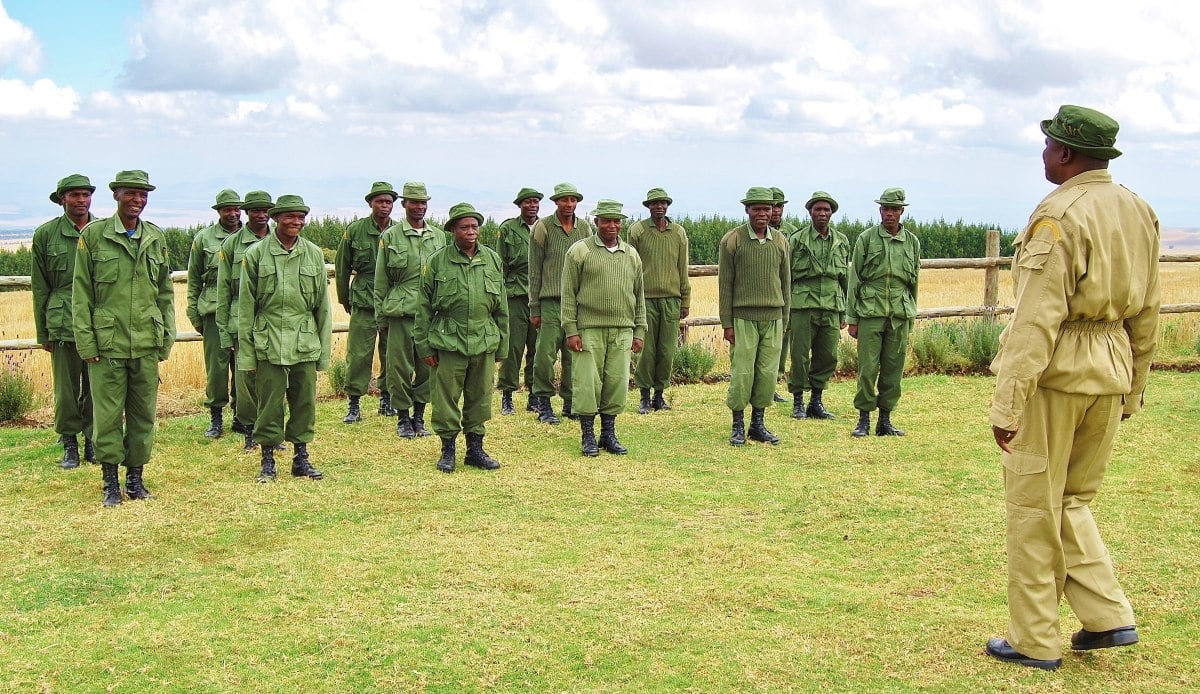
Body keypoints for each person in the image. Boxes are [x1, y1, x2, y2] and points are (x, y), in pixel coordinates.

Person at [984, 105, 1160, 672]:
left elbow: (1037, 318)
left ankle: (1034, 639)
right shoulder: (1139, 210)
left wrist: (1007, 402)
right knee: (1072, 499)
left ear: (1064, 153)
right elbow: (1149, 311)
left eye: (1048, 146)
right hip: (1111, 369)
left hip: (1057, 374)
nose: (1043, 155)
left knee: (1035, 504)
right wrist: (1134, 385)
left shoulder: (1058, 215)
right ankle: (1108, 616)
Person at [72, 170, 176, 507]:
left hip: (146, 342)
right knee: (106, 416)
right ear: (116, 195)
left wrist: (165, 337)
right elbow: (82, 295)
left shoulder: (155, 239)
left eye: (143, 195)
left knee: (143, 415)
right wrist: (87, 344)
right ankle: (109, 483)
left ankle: (135, 478)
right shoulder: (95, 235)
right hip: (108, 345)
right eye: (131, 193)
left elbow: (164, 292)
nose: (138, 200)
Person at [238, 195, 332, 483]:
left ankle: (301, 458)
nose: (296, 222)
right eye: (290, 216)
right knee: (269, 403)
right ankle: (267, 460)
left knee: (304, 402)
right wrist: (247, 355)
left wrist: (323, 353)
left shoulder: (314, 254)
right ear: (276, 218)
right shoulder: (256, 254)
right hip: (269, 341)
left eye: (301, 217)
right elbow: (245, 308)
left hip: (304, 340)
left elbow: (322, 307)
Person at [414, 203, 508, 473]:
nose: (471, 231)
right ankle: (448, 450)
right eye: (464, 227)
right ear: (453, 230)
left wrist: (502, 345)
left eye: (475, 226)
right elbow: (423, 309)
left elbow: (501, 307)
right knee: (445, 400)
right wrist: (424, 347)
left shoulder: (491, 259)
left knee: (480, 397)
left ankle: (475, 450)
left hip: (484, 340)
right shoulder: (437, 262)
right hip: (448, 342)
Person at [562, 200, 647, 456]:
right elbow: (568, 294)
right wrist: (571, 330)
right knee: (588, 383)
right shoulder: (580, 252)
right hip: (589, 330)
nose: (612, 225)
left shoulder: (631, 255)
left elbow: (639, 295)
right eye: (606, 220)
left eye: (616, 221)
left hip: (622, 330)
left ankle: (608, 434)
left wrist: (639, 329)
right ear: (596, 222)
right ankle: (587, 436)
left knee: (617, 383)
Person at [32, 174, 97, 469]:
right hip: (62, 322)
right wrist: (42, 332)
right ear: (62, 199)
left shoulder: (101, 231)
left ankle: (93, 440)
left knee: (97, 387)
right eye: (74, 195)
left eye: (85, 195)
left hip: (97, 323)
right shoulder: (46, 235)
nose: (81, 200)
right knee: (67, 390)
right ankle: (69, 443)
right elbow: (40, 287)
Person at [373, 181, 446, 438]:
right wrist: (381, 318)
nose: (419, 207)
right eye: (414, 202)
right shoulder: (390, 236)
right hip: (400, 313)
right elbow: (381, 280)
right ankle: (403, 417)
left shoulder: (438, 236)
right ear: (404, 205)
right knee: (398, 368)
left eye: (423, 202)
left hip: (430, 315)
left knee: (428, 366)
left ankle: (419, 416)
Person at [719, 187, 790, 446]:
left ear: (773, 211)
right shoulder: (733, 240)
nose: (762, 213)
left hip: (773, 318)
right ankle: (738, 425)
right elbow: (725, 285)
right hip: (743, 319)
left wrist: (785, 319)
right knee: (742, 373)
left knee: (767, 373)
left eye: (767, 208)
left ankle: (757, 424)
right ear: (747, 210)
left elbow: (786, 284)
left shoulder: (781, 241)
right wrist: (727, 323)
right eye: (757, 208)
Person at [846, 187, 920, 438]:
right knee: (867, 369)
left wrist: (910, 316)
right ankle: (863, 420)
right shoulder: (866, 239)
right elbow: (854, 279)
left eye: (895, 209)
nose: (890, 214)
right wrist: (852, 318)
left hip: (899, 313)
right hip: (870, 312)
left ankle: (885, 420)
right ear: (880, 210)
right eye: (886, 209)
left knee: (893, 369)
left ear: (902, 212)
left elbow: (914, 284)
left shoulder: (911, 242)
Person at [528, 182, 594, 424]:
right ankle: (543, 403)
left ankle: (570, 402)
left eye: (573, 200)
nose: (569, 204)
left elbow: (591, 266)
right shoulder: (542, 227)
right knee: (544, 354)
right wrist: (534, 307)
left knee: (573, 354)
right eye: (564, 200)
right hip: (551, 302)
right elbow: (534, 270)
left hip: (577, 304)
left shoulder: (585, 228)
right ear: (556, 202)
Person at [216, 190, 274, 451]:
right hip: (243, 323)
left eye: (265, 210)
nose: (261, 215)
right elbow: (223, 292)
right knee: (246, 381)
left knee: (273, 380)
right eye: (255, 210)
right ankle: (250, 430)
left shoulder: (281, 240)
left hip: (273, 322)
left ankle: (270, 429)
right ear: (247, 212)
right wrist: (226, 333)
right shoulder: (232, 245)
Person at [336, 181, 398, 423]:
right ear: (370, 203)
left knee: (390, 353)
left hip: (391, 302)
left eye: (389, 202)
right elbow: (341, 269)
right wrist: (344, 299)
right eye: (380, 201)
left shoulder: (398, 232)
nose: (385, 206)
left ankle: (387, 399)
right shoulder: (355, 231)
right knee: (359, 354)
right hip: (363, 301)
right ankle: (354, 403)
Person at [787, 191, 849, 419]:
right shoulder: (797, 240)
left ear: (832, 213)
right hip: (803, 304)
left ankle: (816, 401)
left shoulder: (841, 240)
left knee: (828, 355)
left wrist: (845, 311)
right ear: (809, 212)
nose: (822, 213)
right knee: (800, 355)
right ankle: (798, 402)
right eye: (818, 209)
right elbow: (787, 276)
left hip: (831, 305)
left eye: (826, 209)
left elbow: (845, 279)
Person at [628, 187, 690, 414]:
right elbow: (630, 268)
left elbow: (682, 268)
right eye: (654, 203)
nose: (659, 207)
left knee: (667, 350)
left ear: (667, 206)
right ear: (648, 206)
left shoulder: (678, 233)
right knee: (646, 349)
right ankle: (644, 396)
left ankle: (659, 395)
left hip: (672, 300)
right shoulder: (637, 231)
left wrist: (685, 300)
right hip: (645, 300)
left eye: (663, 203)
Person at [187, 188, 243, 439]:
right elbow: (193, 280)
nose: (232, 213)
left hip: (243, 311)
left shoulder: (253, 236)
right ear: (218, 211)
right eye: (226, 209)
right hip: (212, 311)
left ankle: (243, 416)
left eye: (235, 208)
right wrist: (194, 314)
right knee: (217, 370)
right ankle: (216, 417)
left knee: (245, 367)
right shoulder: (204, 239)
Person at [495, 187, 543, 416]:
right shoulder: (508, 229)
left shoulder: (545, 229)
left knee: (537, 348)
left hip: (540, 297)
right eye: (528, 202)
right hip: (514, 297)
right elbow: (499, 265)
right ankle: (507, 396)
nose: (532, 206)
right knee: (513, 348)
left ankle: (534, 396)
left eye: (535, 202)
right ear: (519, 205)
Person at [770, 186, 799, 403]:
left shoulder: (793, 233)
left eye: (779, 206)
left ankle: (775, 381)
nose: (775, 210)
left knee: (783, 339)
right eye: (772, 206)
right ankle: (762, 382)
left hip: (787, 292)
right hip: (765, 293)